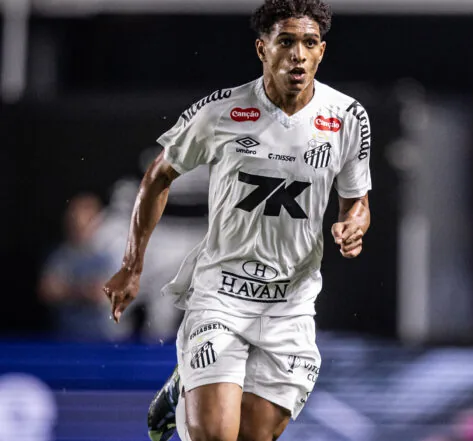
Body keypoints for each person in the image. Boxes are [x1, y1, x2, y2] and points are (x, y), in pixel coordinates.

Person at [102, 1, 372, 440]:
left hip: (290, 304)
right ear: (262, 49)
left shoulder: (347, 117)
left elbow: (356, 201)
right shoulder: (222, 111)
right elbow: (158, 176)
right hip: (221, 297)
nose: (298, 55)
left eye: (309, 43)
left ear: (321, 51)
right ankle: (193, 383)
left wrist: (354, 225)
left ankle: (182, 388)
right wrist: (132, 266)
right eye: (286, 42)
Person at [39, 193, 116, 341]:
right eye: (75, 216)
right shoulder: (61, 256)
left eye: (88, 218)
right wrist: (83, 290)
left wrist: (67, 289)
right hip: (67, 337)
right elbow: (47, 291)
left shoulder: (113, 254)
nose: (79, 222)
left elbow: (104, 295)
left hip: (106, 340)